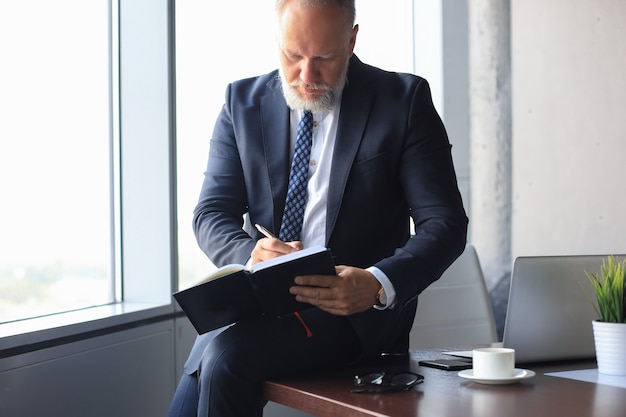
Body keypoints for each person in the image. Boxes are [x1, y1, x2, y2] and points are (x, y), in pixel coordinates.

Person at [168, 0, 468, 416]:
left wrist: (377, 283)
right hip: (264, 301)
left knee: (223, 356)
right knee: (212, 355)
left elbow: (445, 224)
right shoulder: (241, 102)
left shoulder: (404, 100)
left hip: (355, 313)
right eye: (293, 56)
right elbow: (211, 213)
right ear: (277, 41)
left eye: (324, 57)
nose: (306, 76)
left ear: (351, 40)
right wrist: (249, 255)